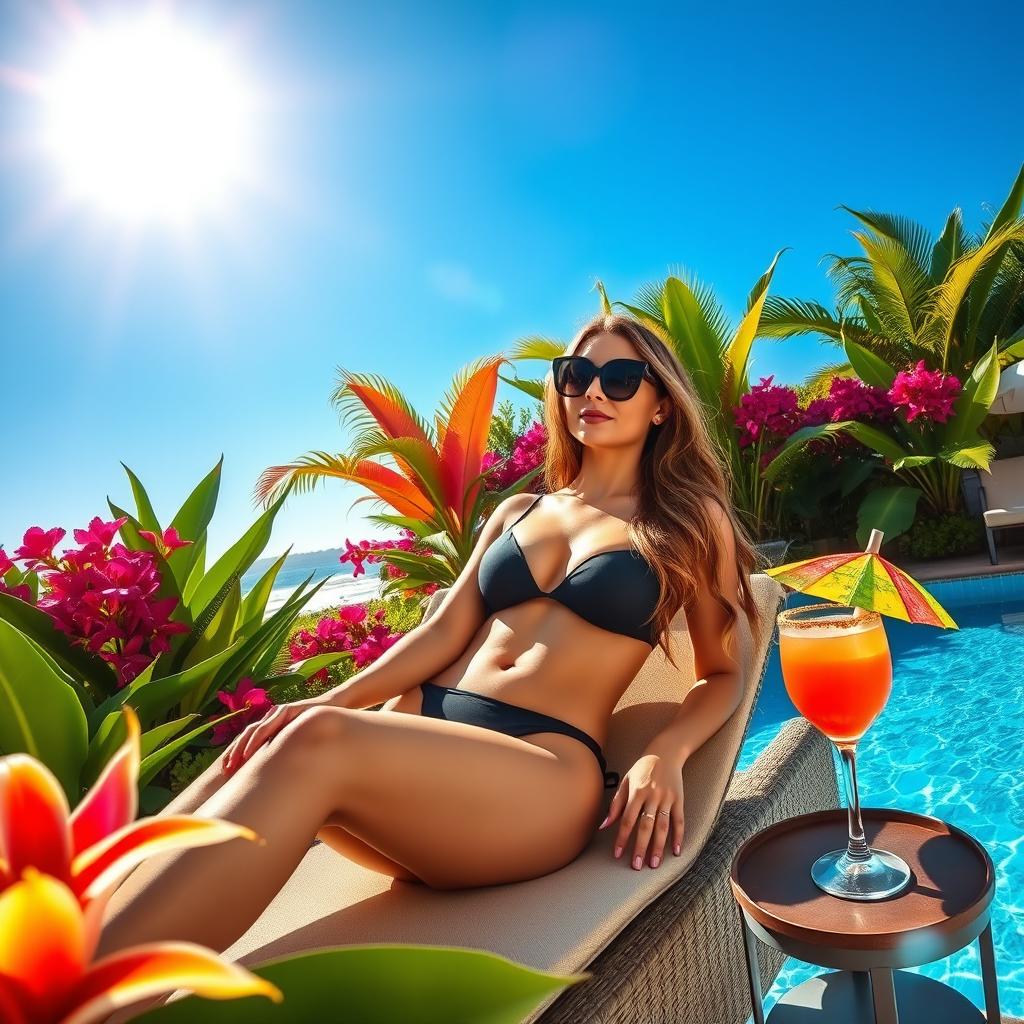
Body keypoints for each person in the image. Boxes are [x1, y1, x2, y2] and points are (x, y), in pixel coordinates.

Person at [97, 312, 762, 962]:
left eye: (619, 379)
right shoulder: (519, 510)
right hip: (425, 743)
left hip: (542, 774)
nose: (593, 391)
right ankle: (73, 946)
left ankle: (90, 996)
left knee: (315, 738)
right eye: (576, 375)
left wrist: (666, 751)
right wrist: (327, 699)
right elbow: (445, 631)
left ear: (661, 406)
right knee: (267, 738)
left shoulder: (686, 521)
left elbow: (725, 672)